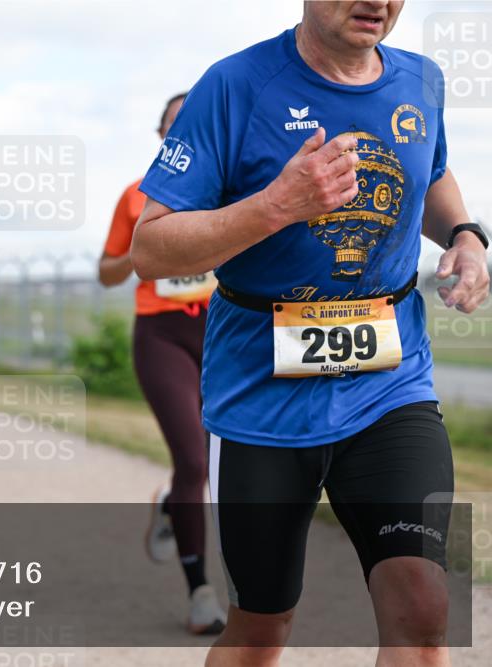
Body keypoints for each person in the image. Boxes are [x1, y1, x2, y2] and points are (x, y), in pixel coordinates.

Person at [130, 2, 490, 665]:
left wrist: (466, 235)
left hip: (390, 383)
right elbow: (149, 248)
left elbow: (430, 170)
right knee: (261, 630)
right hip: (260, 400)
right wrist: (278, 204)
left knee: (422, 606)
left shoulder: (420, 80)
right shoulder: (236, 86)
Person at [98, 93, 223, 635]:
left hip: (223, 334)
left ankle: (174, 503)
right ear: (161, 136)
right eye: (175, 123)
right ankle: (200, 591)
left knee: (224, 464)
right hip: (162, 335)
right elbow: (106, 271)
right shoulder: (136, 196)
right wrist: (145, 250)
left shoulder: (230, 190)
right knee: (193, 461)